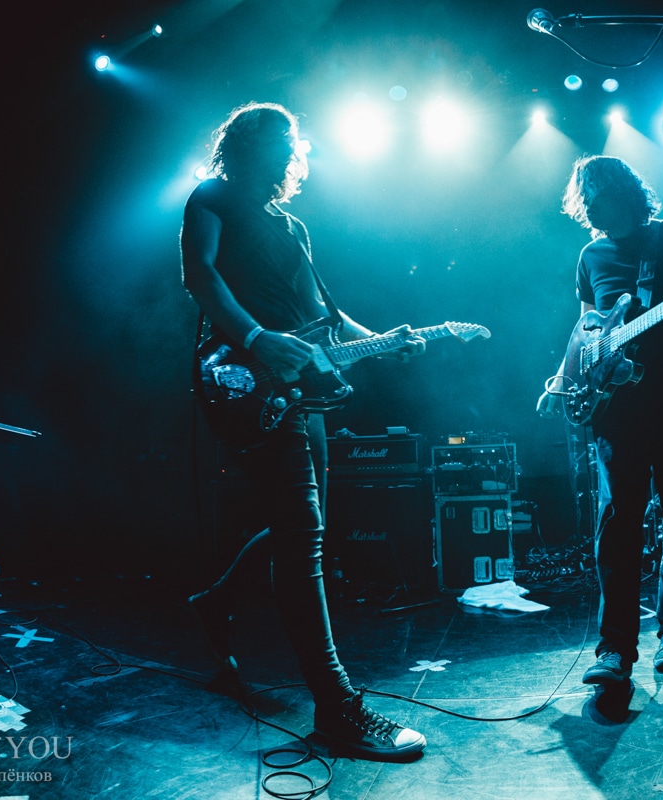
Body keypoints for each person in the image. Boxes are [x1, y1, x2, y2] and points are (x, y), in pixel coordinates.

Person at [181, 101, 427, 761]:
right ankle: (337, 708)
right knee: (304, 531)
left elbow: (324, 315)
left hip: (302, 389)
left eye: (293, 141)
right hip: (245, 377)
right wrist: (256, 337)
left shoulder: (292, 226)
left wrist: (384, 341)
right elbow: (199, 273)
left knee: (302, 528)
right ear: (245, 144)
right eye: (279, 138)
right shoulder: (211, 197)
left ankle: (216, 602)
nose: (291, 150)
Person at [537, 155, 663, 686]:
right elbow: (586, 330)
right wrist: (562, 378)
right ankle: (614, 649)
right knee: (618, 523)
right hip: (616, 410)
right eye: (583, 198)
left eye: (594, 195)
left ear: (622, 192)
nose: (588, 207)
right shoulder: (590, 255)